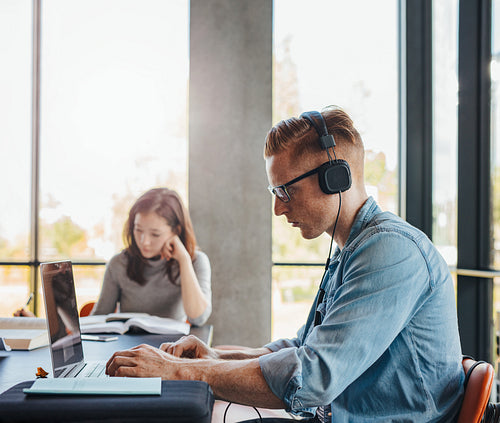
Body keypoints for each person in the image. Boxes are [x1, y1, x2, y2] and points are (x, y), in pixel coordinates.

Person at [105, 108, 464, 422]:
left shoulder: (391, 251)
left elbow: (312, 378)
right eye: (274, 193)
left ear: (335, 179)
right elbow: (301, 347)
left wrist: (182, 371)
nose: (278, 208)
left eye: (285, 191)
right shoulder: (352, 250)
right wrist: (217, 355)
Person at [91, 187, 212, 327]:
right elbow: (99, 318)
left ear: (176, 231)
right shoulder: (119, 263)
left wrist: (184, 260)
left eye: (155, 234)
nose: (144, 241)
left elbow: (198, 318)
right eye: (138, 230)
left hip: (170, 347)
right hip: (129, 347)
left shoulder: (196, 261)